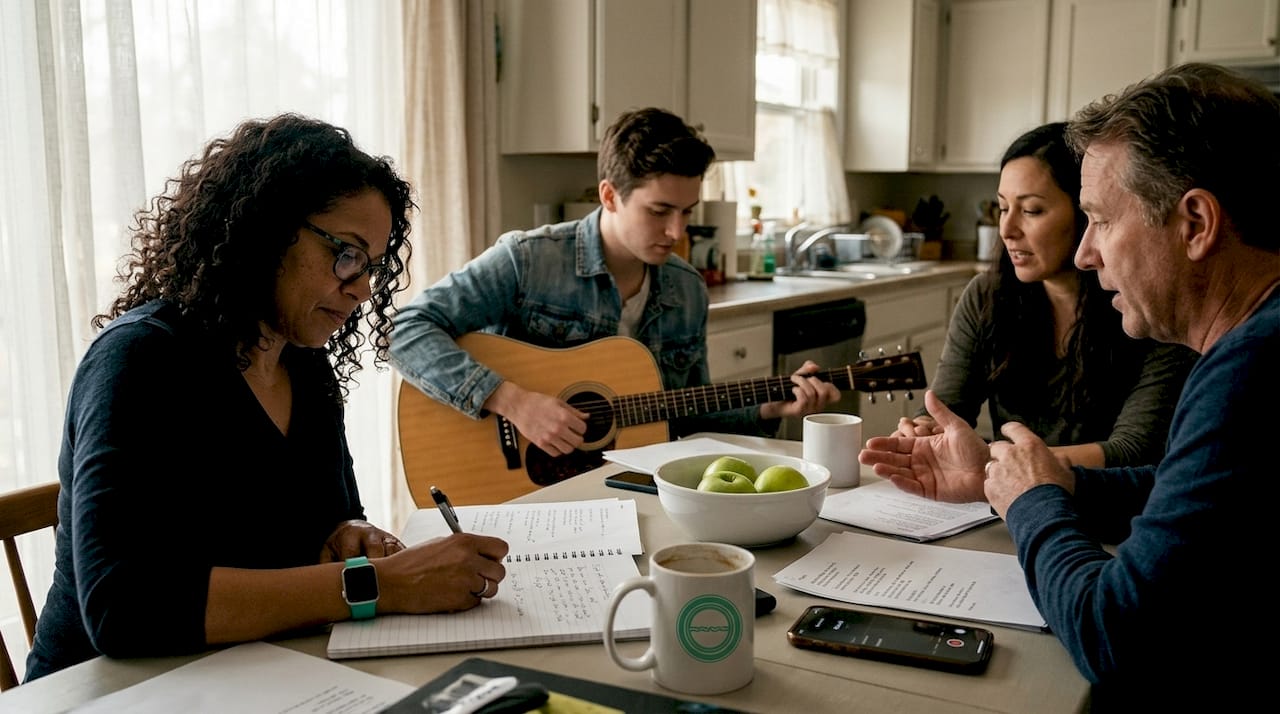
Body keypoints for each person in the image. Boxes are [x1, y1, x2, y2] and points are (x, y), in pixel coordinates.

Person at [25, 114, 510, 682]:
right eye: (346, 253)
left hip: (248, 672)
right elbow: (125, 608)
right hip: (106, 691)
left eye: (371, 268)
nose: (359, 289)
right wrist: (379, 584)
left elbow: (329, 522)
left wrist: (347, 534)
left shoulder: (303, 363)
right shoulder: (139, 361)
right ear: (266, 228)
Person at [860, 63, 1279, 708]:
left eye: (1102, 221)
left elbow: (1115, 637)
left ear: (1196, 224)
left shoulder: (1249, 370)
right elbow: (1174, 490)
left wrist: (1031, 502)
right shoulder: (1251, 344)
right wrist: (1024, 482)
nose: (1087, 254)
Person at [389, 107, 839, 460]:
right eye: (659, 211)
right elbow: (406, 329)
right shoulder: (528, 260)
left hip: (631, 486)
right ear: (609, 196)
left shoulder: (687, 290)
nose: (676, 232)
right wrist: (514, 401)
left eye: (688, 211)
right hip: (527, 483)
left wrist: (768, 408)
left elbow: (688, 413)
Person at [895, 122, 1195, 468]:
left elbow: (1134, 450)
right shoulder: (986, 295)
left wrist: (991, 461)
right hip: (1009, 498)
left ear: (1087, 214)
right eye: (1002, 208)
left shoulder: (1145, 303)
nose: (1007, 230)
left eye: (1032, 210)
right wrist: (924, 431)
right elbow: (946, 410)